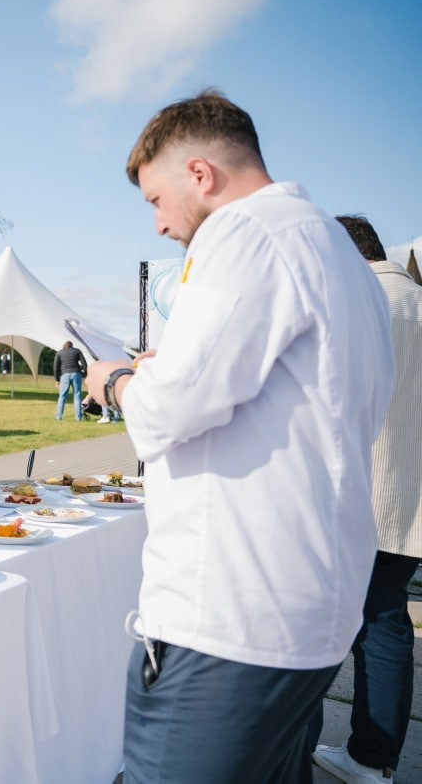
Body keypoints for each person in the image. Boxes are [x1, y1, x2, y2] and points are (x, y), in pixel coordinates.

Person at [84, 90, 394, 783]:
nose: (160, 225)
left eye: (156, 199)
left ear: (201, 174)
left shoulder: (246, 233)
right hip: (309, 608)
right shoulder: (343, 256)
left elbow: (169, 410)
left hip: (230, 613)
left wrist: (114, 381)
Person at [310, 215, 422, 783]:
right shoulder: (417, 299)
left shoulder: (359, 304)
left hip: (363, 490)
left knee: (340, 623)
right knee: (385, 620)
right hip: (412, 499)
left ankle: (361, 755)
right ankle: (372, 757)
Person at [52, 340, 86, 420]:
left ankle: (59, 416)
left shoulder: (59, 353)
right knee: (77, 395)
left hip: (65, 375)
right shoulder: (77, 351)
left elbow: (55, 367)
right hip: (76, 373)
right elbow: (84, 363)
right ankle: (78, 417)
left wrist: (57, 379)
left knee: (62, 396)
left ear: (64, 346)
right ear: (72, 346)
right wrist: (85, 373)